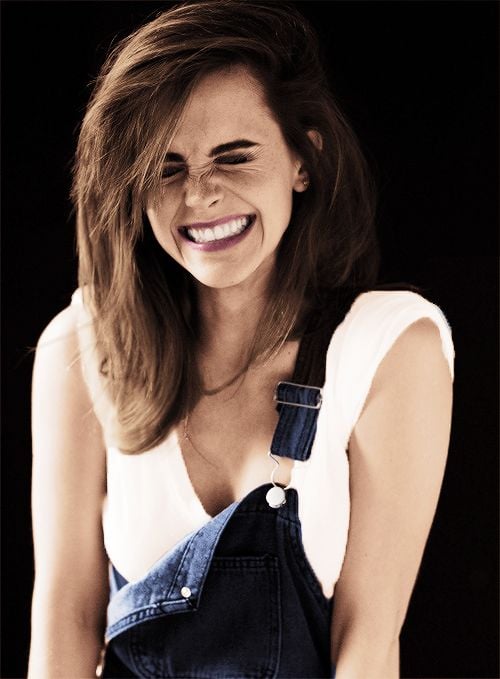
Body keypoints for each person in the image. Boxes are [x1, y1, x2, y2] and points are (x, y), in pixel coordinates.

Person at [28, 1, 455, 677]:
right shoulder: (82, 351)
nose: (200, 195)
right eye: (167, 167)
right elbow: (65, 625)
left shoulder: (389, 349)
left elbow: (368, 648)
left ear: (303, 160)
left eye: (234, 156)